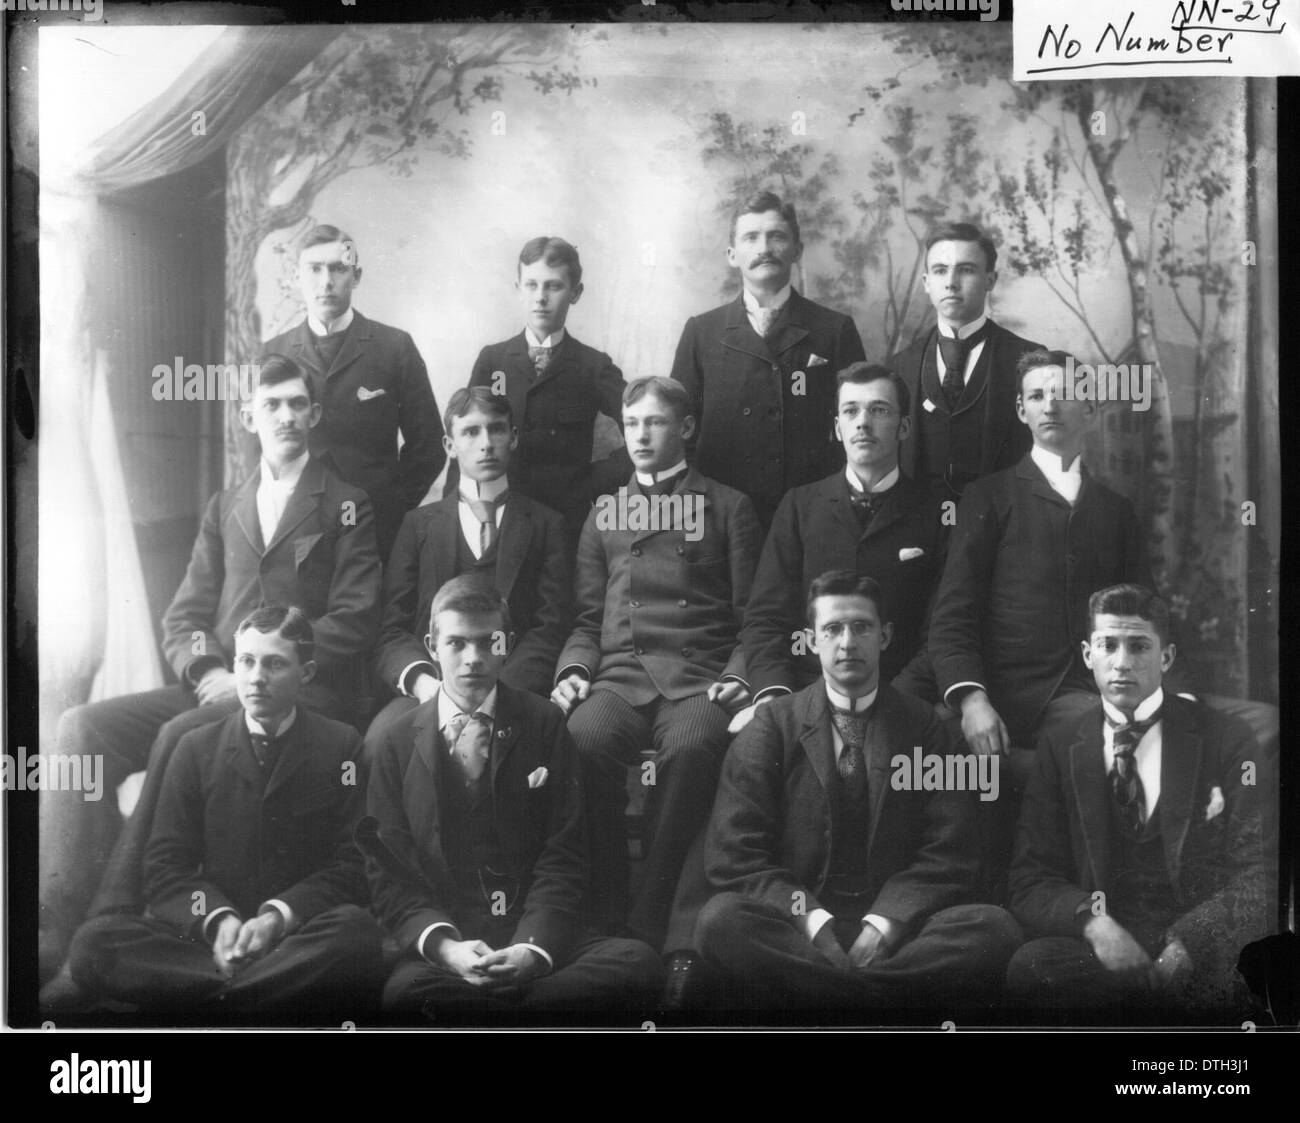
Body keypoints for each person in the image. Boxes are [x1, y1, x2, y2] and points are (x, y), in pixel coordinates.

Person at [44, 356, 381, 977]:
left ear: (315, 413)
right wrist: (206, 674)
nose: (285, 415)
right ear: (248, 414)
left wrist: (271, 663)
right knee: (80, 728)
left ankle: (111, 915)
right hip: (218, 684)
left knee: (179, 734)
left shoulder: (346, 504)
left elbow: (356, 617)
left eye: (296, 404)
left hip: (298, 691)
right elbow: (184, 616)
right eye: (271, 404)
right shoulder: (227, 503)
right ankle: (54, 917)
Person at [695, 571, 1021, 1014]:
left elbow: (952, 852)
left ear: (884, 636)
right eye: (832, 629)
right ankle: (874, 1006)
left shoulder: (927, 727)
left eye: (861, 627)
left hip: (899, 928)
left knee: (993, 929)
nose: (847, 642)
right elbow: (736, 854)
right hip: (800, 926)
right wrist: (814, 923)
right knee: (720, 922)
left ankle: (828, 1003)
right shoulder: (774, 725)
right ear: (811, 640)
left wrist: (884, 925)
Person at [361, 577, 662, 1019]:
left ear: (508, 644)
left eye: (488, 642)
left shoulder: (545, 724)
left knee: (638, 966)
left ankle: (491, 1015)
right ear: (431, 646)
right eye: (457, 643)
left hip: (534, 932)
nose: (473, 659)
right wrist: (447, 949)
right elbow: (389, 874)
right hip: (454, 943)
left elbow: (565, 853)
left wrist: (531, 950)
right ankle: (523, 1017)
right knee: (403, 995)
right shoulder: (394, 742)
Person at [65, 607, 383, 1021]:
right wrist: (217, 921)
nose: (256, 678)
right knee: (95, 943)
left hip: (296, 934)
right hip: (211, 944)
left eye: (274, 664)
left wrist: (277, 917)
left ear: (306, 674)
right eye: (246, 661)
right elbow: (166, 867)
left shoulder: (341, 747)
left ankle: (210, 1002)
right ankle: (256, 997)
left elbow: (353, 864)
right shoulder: (196, 746)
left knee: (355, 935)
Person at [552, 376, 761, 951]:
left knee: (694, 747)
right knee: (584, 737)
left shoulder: (729, 506)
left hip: (699, 678)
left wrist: (740, 676)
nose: (640, 435)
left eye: (656, 422)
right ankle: (605, 907)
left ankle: (653, 918)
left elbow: (754, 618)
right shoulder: (604, 513)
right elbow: (586, 619)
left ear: (687, 428)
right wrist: (573, 671)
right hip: (618, 675)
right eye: (632, 423)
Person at [1006, 584, 1269, 1021]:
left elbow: (1260, 871)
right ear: (1089, 655)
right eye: (1108, 645)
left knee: (1242, 978)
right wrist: (1097, 925)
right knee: (1030, 968)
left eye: (1139, 646)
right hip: (1106, 948)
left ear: (1165, 657)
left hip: (1197, 944)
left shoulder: (1227, 739)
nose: (1122, 662)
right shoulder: (1062, 744)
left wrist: (1190, 942)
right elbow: (1031, 875)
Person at [735, 362, 946, 733]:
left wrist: (895, 704)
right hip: (803, 695)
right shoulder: (799, 505)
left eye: (879, 410)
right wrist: (774, 696)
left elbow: (941, 631)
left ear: (904, 427)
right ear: (837, 428)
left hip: (901, 701)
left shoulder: (935, 512)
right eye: (851, 411)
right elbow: (766, 619)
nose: (863, 422)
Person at [366, 388, 571, 760]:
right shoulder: (417, 525)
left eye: (496, 430)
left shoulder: (545, 524)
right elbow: (393, 628)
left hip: (515, 689)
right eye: (471, 432)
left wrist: (495, 693)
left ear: (514, 437)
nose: (486, 444)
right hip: (432, 688)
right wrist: (429, 687)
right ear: (449, 444)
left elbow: (550, 627)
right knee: (380, 742)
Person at [670, 189, 866, 527]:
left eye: (776, 236)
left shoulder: (834, 330)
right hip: (722, 515)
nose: (763, 249)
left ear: (797, 250)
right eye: (751, 238)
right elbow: (679, 432)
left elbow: (855, 425)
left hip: (811, 513)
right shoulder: (701, 332)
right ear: (732, 254)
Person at [262, 224, 444, 560]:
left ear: (355, 276)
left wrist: (390, 506)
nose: (326, 281)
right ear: (297, 277)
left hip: (377, 531)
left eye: (338, 269)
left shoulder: (394, 347)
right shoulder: (271, 355)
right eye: (314, 269)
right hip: (295, 526)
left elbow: (429, 445)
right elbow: (253, 446)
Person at [462, 236, 629, 547]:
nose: (540, 297)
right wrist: (454, 508)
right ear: (518, 289)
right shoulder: (493, 360)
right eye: (531, 285)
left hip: (566, 523)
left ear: (575, 293)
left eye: (553, 286)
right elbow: (465, 435)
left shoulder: (592, 365)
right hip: (499, 516)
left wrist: (591, 483)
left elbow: (640, 423)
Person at [886, 222, 1042, 501]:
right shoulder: (900, 366)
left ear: (990, 280)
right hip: (919, 534)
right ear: (926, 283)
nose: (951, 282)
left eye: (966, 270)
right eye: (940, 270)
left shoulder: (1028, 361)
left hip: (1003, 531)